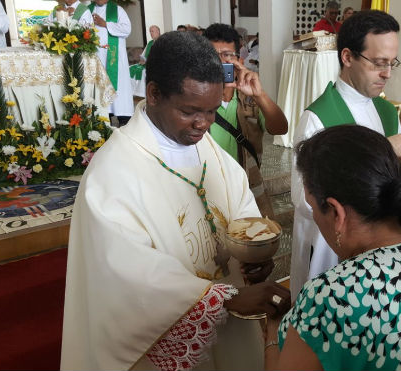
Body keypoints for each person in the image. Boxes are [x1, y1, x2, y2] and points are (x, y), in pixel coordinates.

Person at [60, 31, 291, 371]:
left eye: (212, 111)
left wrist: (252, 256)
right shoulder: (112, 174)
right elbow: (129, 275)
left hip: (230, 326)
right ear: (153, 94)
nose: (203, 124)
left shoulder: (205, 146)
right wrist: (225, 297)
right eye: (189, 111)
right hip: (167, 336)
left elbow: (240, 207)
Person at [265, 125, 401, 370]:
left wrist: (274, 329)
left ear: (337, 213)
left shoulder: (333, 298)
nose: (315, 217)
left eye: (313, 207)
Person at [290, 10, 401, 300]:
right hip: (328, 253)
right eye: (378, 63)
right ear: (347, 57)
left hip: (377, 250)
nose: (387, 73)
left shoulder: (386, 112)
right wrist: (384, 148)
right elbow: (303, 199)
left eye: (391, 63)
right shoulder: (318, 118)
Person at [204, 24, 288, 218]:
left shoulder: (249, 99)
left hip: (245, 184)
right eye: (211, 55)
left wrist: (260, 95)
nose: (219, 61)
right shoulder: (196, 100)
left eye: (227, 55)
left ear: (239, 59)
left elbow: (280, 128)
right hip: (207, 186)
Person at [90, 0, 134, 126]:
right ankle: (105, 116)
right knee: (99, 86)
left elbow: (127, 29)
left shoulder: (118, 10)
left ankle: (123, 117)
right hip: (95, 57)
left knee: (119, 85)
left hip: (114, 57)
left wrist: (105, 24)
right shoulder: (87, 10)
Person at [129, 25, 160, 98]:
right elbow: (143, 55)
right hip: (146, 63)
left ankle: (143, 94)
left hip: (156, 65)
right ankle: (133, 91)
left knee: (143, 72)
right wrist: (142, 60)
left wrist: (147, 61)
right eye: (150, 31)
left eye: (152, 31)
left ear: (158, 31)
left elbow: (160, 56)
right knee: (130, 68)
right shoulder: (150, 43)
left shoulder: (162, 42)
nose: (151, 33)